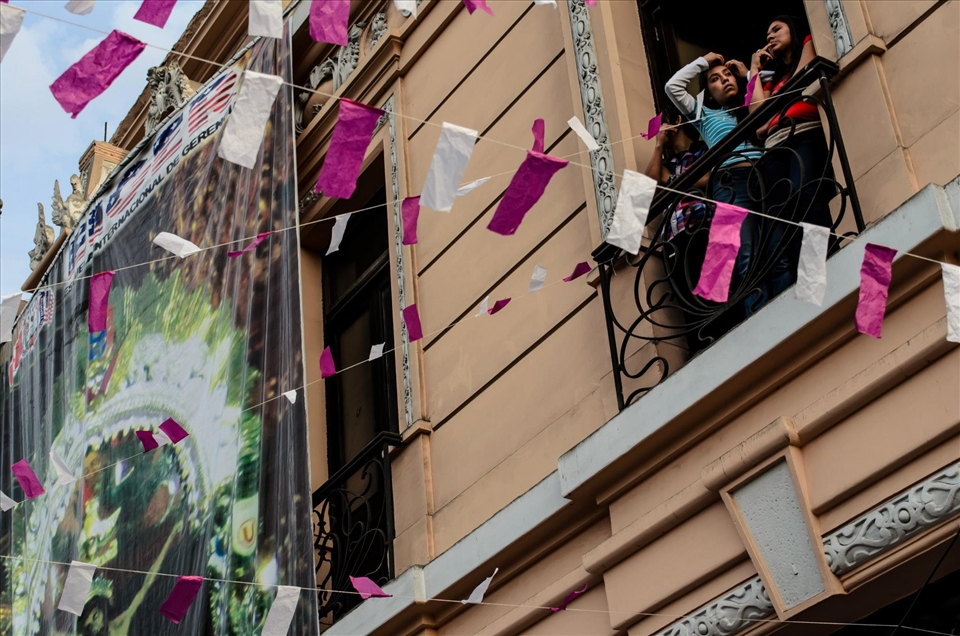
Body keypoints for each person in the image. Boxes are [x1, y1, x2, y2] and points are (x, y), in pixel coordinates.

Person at [665, 52, 763, 317]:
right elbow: (672, 87)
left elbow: (763, 111)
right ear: (708, 92)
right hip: (731, 183)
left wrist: (748, 73)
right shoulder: (705, 116)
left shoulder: (749, 104)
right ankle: (760, 315)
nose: (724, 80)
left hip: (765, 177)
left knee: (773, 245)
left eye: (728, 75)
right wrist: (704, 62)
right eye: (715, 80)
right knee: (747, 253)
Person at [748, 15, 834, 306]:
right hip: (774, 147)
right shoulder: (775, 80)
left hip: (803, 135)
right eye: (767, 33)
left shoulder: (808, 42)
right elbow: (758, 124)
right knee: (785, 212)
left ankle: (822, 263)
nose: (770, 36)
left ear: (792, 30)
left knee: (804, 196)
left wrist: (774, 105)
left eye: (776, 29)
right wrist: (753, 72)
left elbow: (802, 81)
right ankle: (807, 277)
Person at [643, 104, 709, 242]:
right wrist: (658, 145)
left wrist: (671, 180)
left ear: (677, 121)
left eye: (662, 124)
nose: (658, 130)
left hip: (701, 225)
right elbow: (649, 192)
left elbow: (707, 179)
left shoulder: (703, 150)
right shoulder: (666, 165)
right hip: (672, 237)